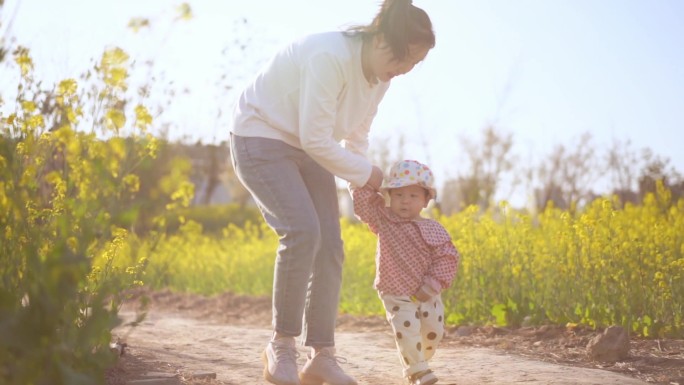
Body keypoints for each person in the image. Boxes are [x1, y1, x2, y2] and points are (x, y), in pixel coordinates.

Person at [228, 1, 436, 384]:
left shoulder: (380, 78)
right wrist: (372, 176)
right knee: (304, 231)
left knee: (331, 245)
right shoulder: (329, 55)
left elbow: (356, 138)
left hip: (310, 148)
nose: (407, 71)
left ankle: (322, 355)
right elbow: (317, 138)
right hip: (261, 135)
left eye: (416, 64)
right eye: (407, 58)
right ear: (381, 40)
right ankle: (282, 347)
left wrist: (367, 189)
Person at [350, 160, 460, 385]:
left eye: (413, 196)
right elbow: (363, 204)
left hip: (428, 292)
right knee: (407, 330)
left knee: (432, 333)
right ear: (389, 196)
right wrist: (363, 177)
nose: (405, 201)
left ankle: (416, 364)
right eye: (398, 195)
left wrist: (432, 284)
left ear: (425, 200)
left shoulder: (434, 229)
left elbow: (448, 257)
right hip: (395, 290)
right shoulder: (384, 218)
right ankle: (419, 371)